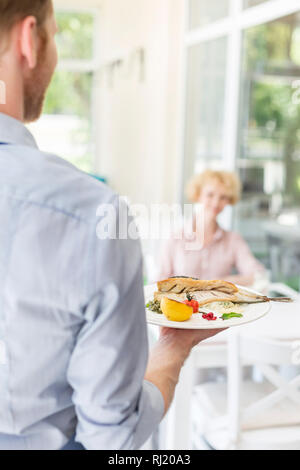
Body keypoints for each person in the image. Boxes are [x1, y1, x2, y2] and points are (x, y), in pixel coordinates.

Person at [0, 1, 222, 450]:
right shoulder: (92, 215)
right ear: (29, 39)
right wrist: (174, 348)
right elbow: (110, 440)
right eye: (55, 35)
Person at [158, 170, 265, 286]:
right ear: (198, 195)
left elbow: (259, 275)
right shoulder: (175, 238)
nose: (216, 203)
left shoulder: (233, 240)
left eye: (223, 197)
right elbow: (158, 282)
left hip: (218, 303)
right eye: (210, 195)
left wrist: (221, 283)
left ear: (229, 200)